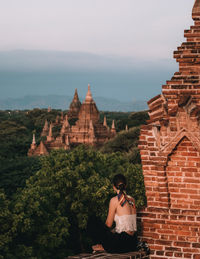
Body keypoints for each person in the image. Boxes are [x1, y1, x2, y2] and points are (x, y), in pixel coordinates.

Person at [87, 174, 138, 253]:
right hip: (133, 242)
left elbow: (108, 224)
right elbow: (128, 225)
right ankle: (104, 246)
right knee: (112, 233)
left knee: (93, 220)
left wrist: (104, 235)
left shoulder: (114, 200)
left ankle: (102, 246)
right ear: (126, 185)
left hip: (121, 243)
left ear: (114, 187)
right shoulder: (132, 200)